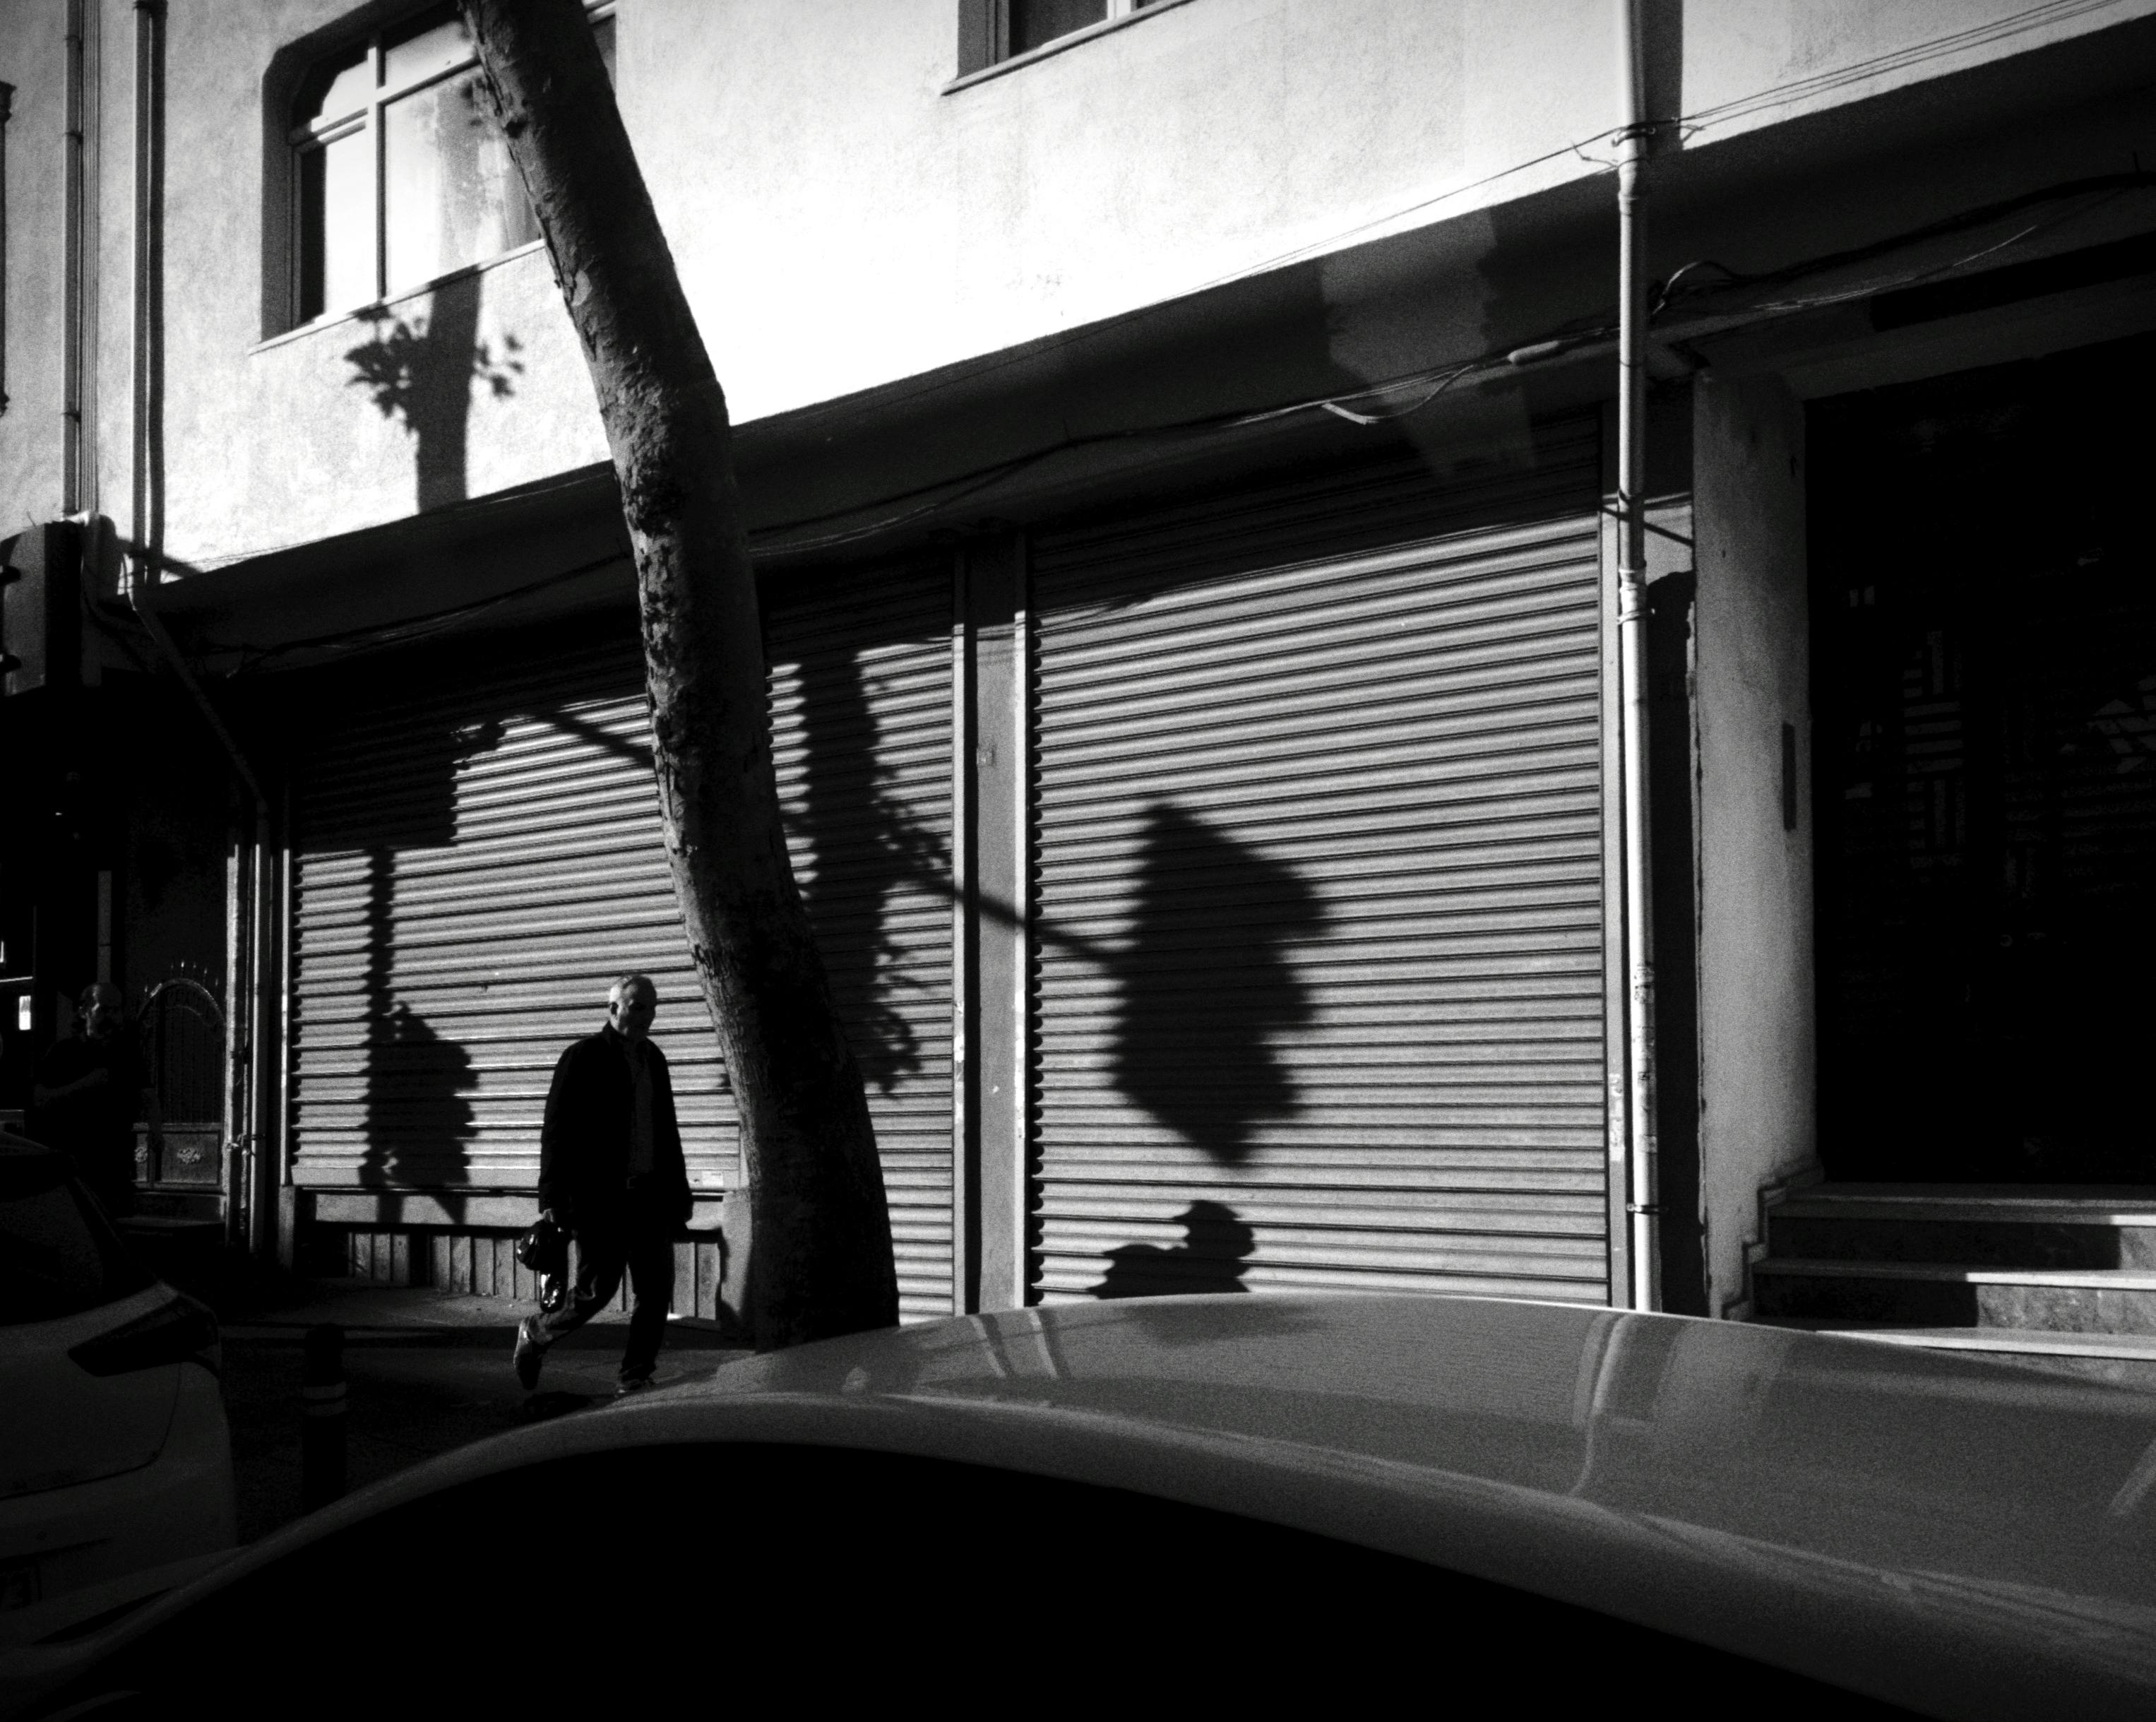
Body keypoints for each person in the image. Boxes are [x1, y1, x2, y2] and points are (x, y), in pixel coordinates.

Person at [513, 973, 692, 1396]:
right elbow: (556, 1129)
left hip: (649, 1196)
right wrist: (552, 1194)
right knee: (596, 1291)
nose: (647, 1015)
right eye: (637, 1006)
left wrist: (680, 1192)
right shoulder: (583, 1057)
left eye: (652, 1007)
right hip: (600, 1199)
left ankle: (635, 1375)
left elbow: (667, 1131)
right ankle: (538, 1331)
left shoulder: (655, 1059)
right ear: (613, 1009)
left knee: (655, 1291)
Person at [30, 982, 162, 1219]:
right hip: (76, 1160)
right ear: (85, 1011)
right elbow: (39, 1100)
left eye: (116, 1010)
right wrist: (85, 1084)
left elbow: (147, 1093)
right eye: (104, 1010)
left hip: (115, 1161)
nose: (111, 1017)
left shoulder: (125, 1054)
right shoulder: (64, 1052)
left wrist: (156, 1129)